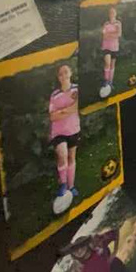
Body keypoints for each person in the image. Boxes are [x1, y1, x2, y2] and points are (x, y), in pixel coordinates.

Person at [48, 63, 80, 212]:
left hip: (73, 130)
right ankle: (63, 184)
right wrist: (69, 110)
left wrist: (62, 112)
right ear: (58, 77)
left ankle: (71, 186)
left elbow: (77, 107)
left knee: (72, 157)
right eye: (60, 73)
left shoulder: (77, 89)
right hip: (58, 133)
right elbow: (52, 117)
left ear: (70, 73)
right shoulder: (54, 95)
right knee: (62, 155)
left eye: (66, 71)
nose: (63, 75)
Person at [100, 6, 122, 98]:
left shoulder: (118, 23)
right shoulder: (106, 23)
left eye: (113, 12)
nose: (112, 14)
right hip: (106, 47)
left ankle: (110, 82)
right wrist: (113, 34)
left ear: (116, 13)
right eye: (110, 12)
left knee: (112, 65)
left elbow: (119, 34)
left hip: (115, 47)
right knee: (107, 63)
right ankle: (106, 81)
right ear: (108, 14)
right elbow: (104, 36)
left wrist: (110, 34)